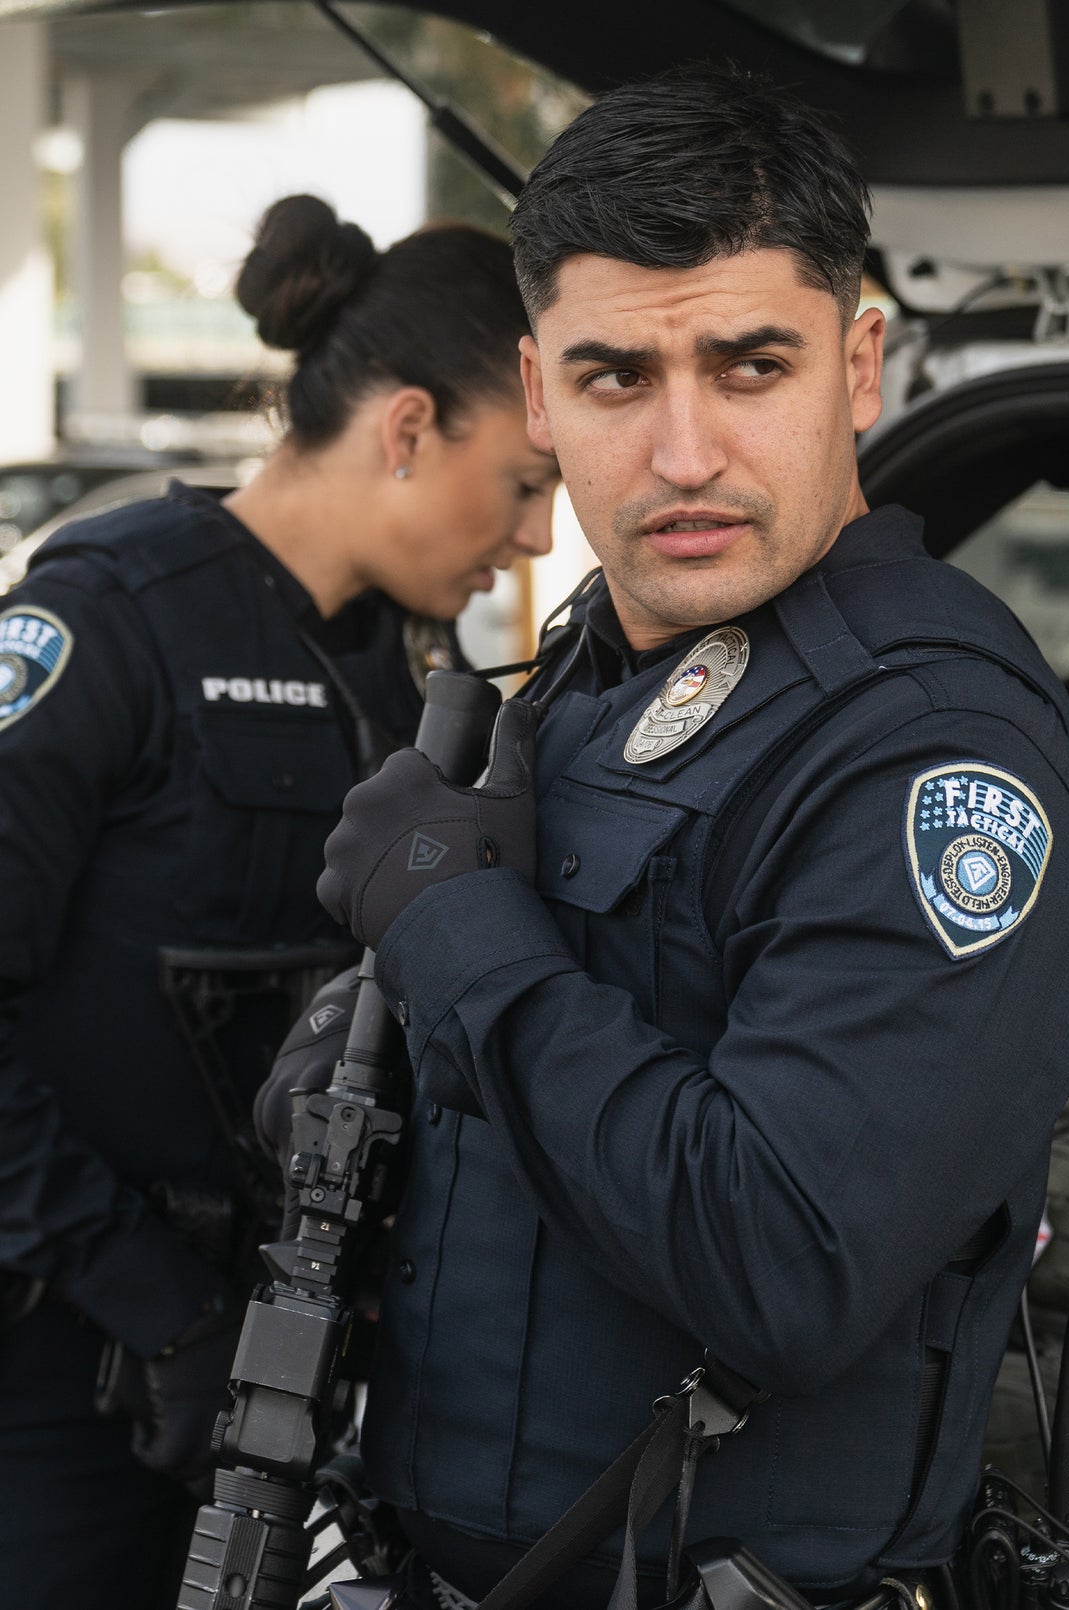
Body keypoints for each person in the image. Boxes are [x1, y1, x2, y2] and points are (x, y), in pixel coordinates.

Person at [310, 66, 1069, 1610]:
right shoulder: (605, 654)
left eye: (750, 365)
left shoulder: (930, 744)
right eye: (617, 379)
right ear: (540, 395)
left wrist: (452, 940)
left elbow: (785, 1257)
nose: (682, 455)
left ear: (860, 364)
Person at [0, 193, 556, 1610]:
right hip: (67, 1360)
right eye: (522, 480)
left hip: (276, 1363)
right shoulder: (109, 616)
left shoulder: (396, 680)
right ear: (410, 426)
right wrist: (156, 1306)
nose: (536, 533)